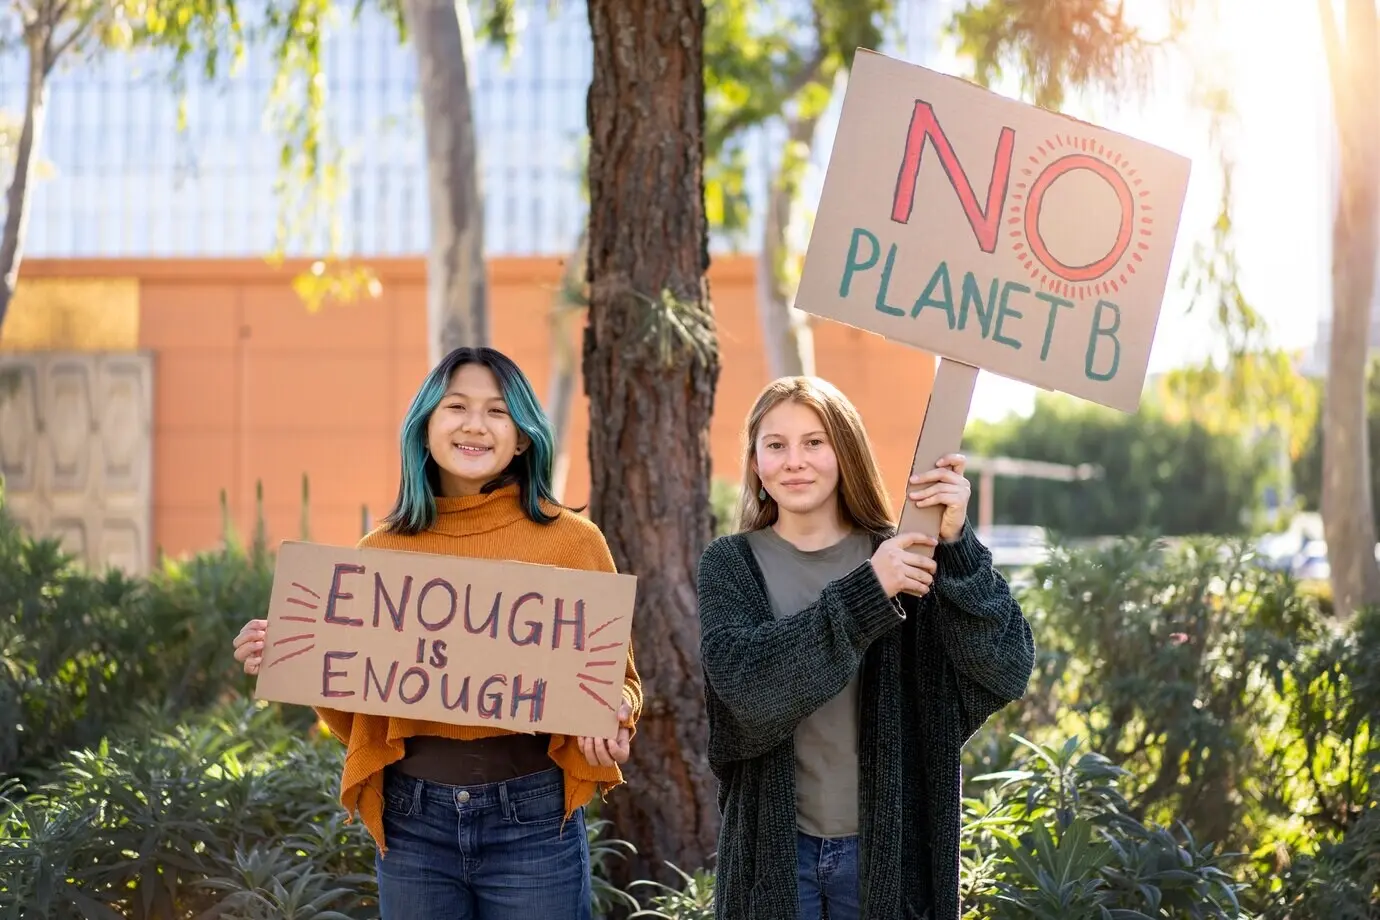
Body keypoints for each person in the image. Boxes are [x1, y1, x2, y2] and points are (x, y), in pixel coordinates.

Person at [232, 346, 641, 920]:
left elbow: (619, 680)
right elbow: (361, 709)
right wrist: (299, 653)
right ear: (425, 427)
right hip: (412, 820)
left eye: (498, 412)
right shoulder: (381, 553)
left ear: (522, 437)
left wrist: (614, 714)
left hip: (534, 814)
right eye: (456, 407)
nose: (476, 425)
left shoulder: (573, 542)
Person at [696, 376, 1035, 920]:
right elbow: (748, 691)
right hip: (776, 857)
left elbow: (1005, 667)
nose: (794, 461)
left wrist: (957, 545)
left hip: (890, 852)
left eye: (815, 442)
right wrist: (867, 594)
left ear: (845, 450)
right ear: (756, 463)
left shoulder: (904, 553)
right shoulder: (730, 565)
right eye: (775, 445)